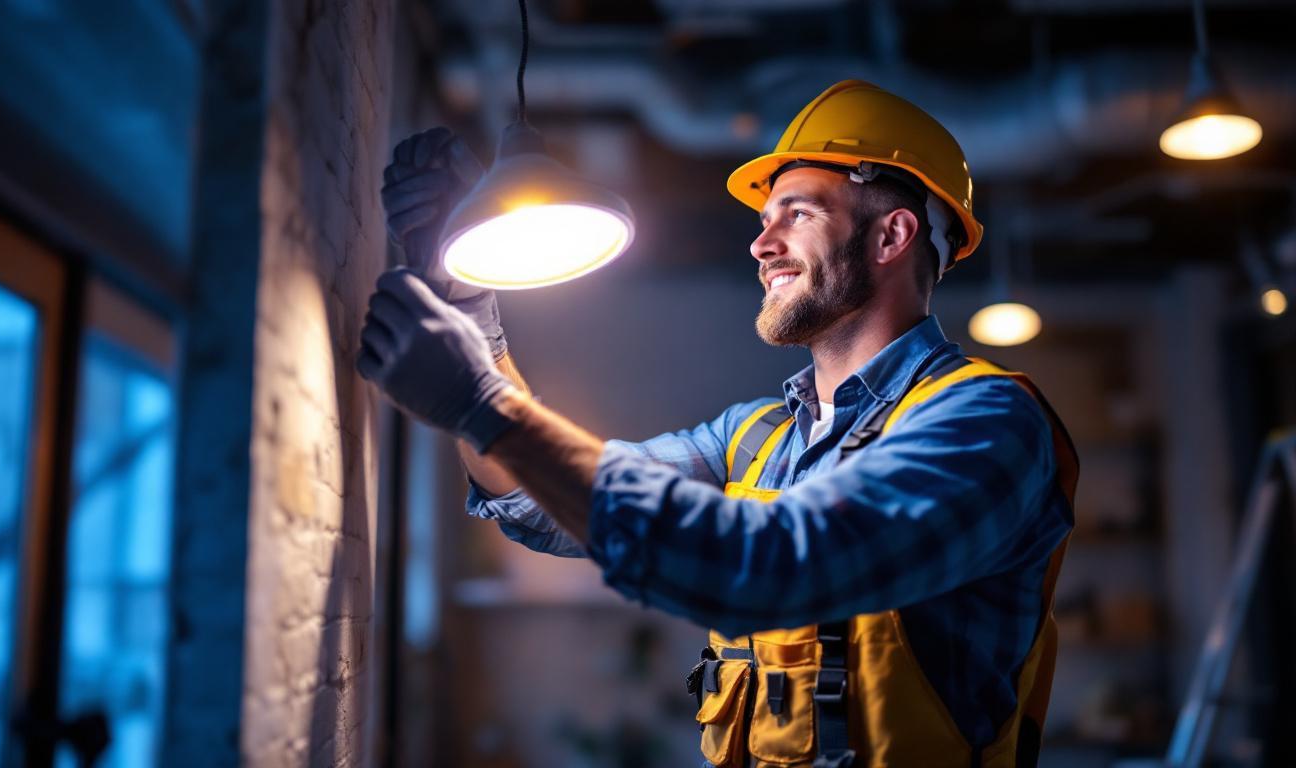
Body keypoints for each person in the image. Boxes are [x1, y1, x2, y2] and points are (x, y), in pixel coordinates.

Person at [358, 81, 1078, 768]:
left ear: (892, 235)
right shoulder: (756, 438)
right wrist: (469, 308)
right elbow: (539, 504)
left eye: (796, 213)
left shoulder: (986, 423)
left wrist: (485, 404)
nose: (762, 246)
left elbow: (778, 569)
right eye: (764, 221)